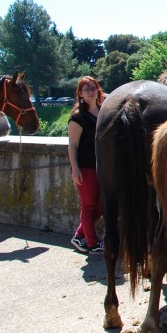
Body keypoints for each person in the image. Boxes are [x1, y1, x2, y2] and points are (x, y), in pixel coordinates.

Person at [67, 76, 105, 254]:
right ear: (80, 94)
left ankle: (78, 236)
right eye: (86, 89)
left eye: (93, 88)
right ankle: (91, 243)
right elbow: (72, 145)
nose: (91, 91)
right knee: (88, 205)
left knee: (100, 205)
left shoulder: (104, 110)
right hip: (85, 167)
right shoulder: (78, 117)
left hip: (101, 166)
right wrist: (75, 169)